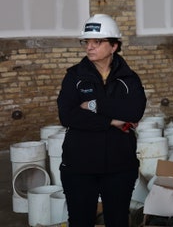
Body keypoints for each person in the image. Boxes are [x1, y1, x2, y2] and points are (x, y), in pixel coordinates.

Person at [57, 14, 147, 226]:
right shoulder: (74, 77)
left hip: (119, 166)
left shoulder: (129, 79)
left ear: (114, 46)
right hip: (79, 166)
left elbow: (134, 111)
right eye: (86, 42)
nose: (89, 47)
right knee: (80, 221)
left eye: (97, 42)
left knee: (117, 221)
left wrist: (92, 105)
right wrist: (110, 121)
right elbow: (67, 115)